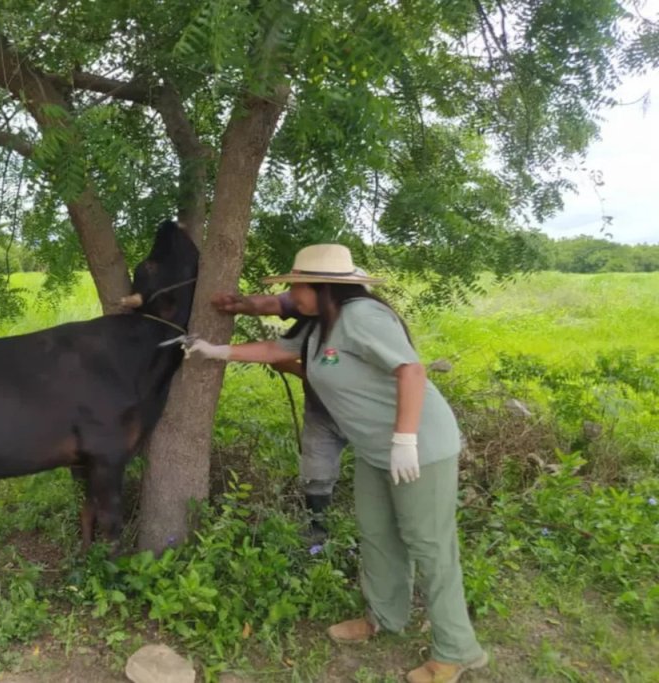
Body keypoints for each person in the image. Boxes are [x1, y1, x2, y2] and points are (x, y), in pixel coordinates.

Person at [189, 245, 487, 683]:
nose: (291, 294)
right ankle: (385, 618)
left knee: (429, 544)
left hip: (419, 444)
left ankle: (458, 650)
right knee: (377, 534)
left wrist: (404, 439)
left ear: (323, 287)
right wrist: (216, 351)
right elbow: (276, 349)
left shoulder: (363, 317)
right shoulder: (319, 325)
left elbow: (411, 370)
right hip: (374, 449)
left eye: (296, 285)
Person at [210, 289, 348, 544]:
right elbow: (276, 305)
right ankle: (318, 533)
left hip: (361, 412)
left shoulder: (355, 325)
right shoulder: (307, 301)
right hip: (321, 410)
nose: (296, 295)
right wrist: (242, 304)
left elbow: (335, 378)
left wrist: (293, 367)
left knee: (383, 468)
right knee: (316, 470)